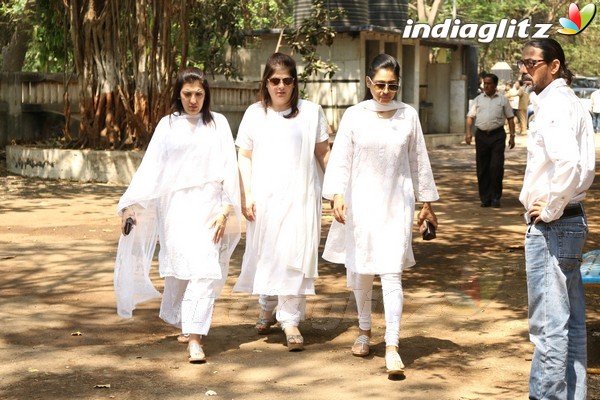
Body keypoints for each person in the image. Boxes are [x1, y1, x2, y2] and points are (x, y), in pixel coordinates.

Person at [113, 67, 241, 363]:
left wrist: (225, 210)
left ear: (206, 94)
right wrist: (130, 205)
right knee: (182, 270)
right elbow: (151, 169)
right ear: (178, 95)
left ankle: (195, 338)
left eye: (199, 94)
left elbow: (229, 168)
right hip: (175, 209)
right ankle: (186, 319)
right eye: (187, 94)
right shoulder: (167, 125)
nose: (193, 100)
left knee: (205, 270)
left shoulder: (218, 123)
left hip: (209, 207)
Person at [322, 53, 439, 376]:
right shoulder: (354, 116)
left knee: (391, 272)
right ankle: (363, 330)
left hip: (396, 203)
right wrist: (337, 195)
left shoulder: (408, 115)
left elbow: (419, 160)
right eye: (380, 85)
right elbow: (341, 159)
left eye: (392, 86)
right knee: (361, 270)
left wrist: (427, 202)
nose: (385, 92)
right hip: (360, 204)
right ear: (368, 83)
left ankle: (392, 344)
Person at [233, 52, 330, 352]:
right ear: (266, 82)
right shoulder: (253, 114)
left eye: (288, 80)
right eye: (275, 80)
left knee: (294, 256)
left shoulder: (311, 113)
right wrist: (246, 194)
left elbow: (324, 154)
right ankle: (266, 305)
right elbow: (243, 157)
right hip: (264, 200)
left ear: (295, 83)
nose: (281, 86)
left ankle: (289, 319)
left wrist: (340, 191)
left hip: (301, 199)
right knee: (268, 254)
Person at [518, 38, 595, 400]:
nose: (524, 69)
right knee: (571, 324)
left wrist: (549, 209)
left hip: (554, 226)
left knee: (548, 327)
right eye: (523, 62)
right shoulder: (568, 101)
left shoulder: (553, 105)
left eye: (532, 63)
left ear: (554, 66)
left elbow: (569, 164)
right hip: (569, 221)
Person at [465, 73, 516, 208]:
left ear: (495, 85)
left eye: (489, 83)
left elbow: (510, 118)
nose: (486, 86)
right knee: (482, 167)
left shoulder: (502, 100)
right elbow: (470, 116)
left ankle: (495, 197)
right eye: (484, 83)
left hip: (497, 136)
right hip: (482, 136)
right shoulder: (478, 99)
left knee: (496, 167)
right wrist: (468, 133)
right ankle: (485, 198)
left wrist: (512, 135)